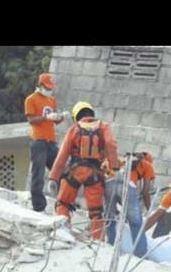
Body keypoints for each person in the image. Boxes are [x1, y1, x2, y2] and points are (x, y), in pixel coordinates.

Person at [47, 102, 120, 240]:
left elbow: (63, 155)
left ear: (76, 116)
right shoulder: (104, 127)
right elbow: (111, 144)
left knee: (63, 203)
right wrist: (114, 167)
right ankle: (98, 241)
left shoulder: (74, 129)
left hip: (75, 171)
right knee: (96, 211)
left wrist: (53, 178)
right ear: (91, 113)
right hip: (95, 174)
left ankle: (63, 234)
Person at [24, 73, 63, 212]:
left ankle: (64, 202)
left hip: (51, 141)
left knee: (61, 171)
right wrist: (46, 117)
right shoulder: (31, 99)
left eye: (51, 87)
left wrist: (60, 117)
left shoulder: (52, 100)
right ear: (40, 85)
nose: (49, 90)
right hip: (38, 141)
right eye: (47, 87)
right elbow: (31, 120)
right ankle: (39, 206)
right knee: (38, 175)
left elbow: (55, 121)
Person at [103, 151, 155, 256]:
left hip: (109, 183)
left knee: (110, 219)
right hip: (128, 185)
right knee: (136, 223)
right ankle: (141, 255)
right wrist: (150, 209)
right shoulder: (148, 165)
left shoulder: (123, 160)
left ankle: (110, 249)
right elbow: (145, 191)